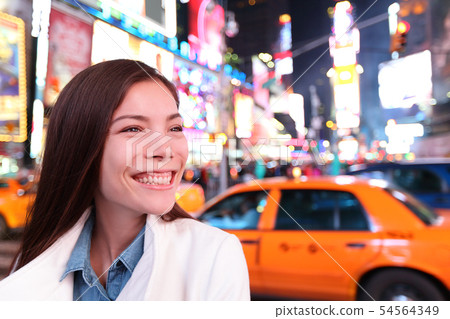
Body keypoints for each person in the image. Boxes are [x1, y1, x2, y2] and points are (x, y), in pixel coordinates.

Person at [0, 60, 250, 301]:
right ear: (81, 147)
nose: (164, 150)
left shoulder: (214, 255)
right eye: (133, 129)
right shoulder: (33, 261)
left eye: (174, 128)